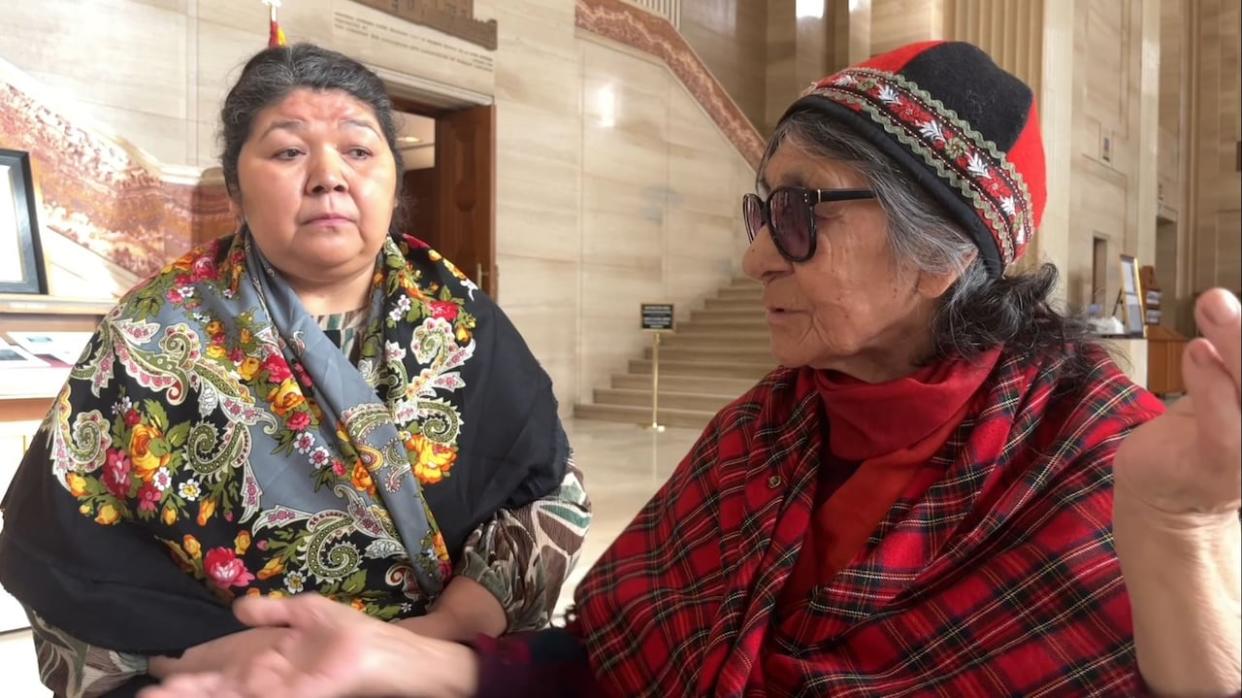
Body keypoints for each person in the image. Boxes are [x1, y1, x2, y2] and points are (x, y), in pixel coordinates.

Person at [142, 41, 1241, 697]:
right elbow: (613, 662)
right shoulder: (765, 433)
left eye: (802, 214)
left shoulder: (1106, 458)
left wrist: (1180, 536)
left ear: (944, 254)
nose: (757, 251)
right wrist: (401, 659)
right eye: (763, 208)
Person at [0, 43, 591, 698]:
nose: (328, 177)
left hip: (439, 668)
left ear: (395, 181)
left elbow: (545, 488)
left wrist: (437, 634)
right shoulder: (152, 332)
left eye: (359, 152)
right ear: (234, 185)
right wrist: (205, 661)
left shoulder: (460, 319)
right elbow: (57, 549)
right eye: (287, 152)